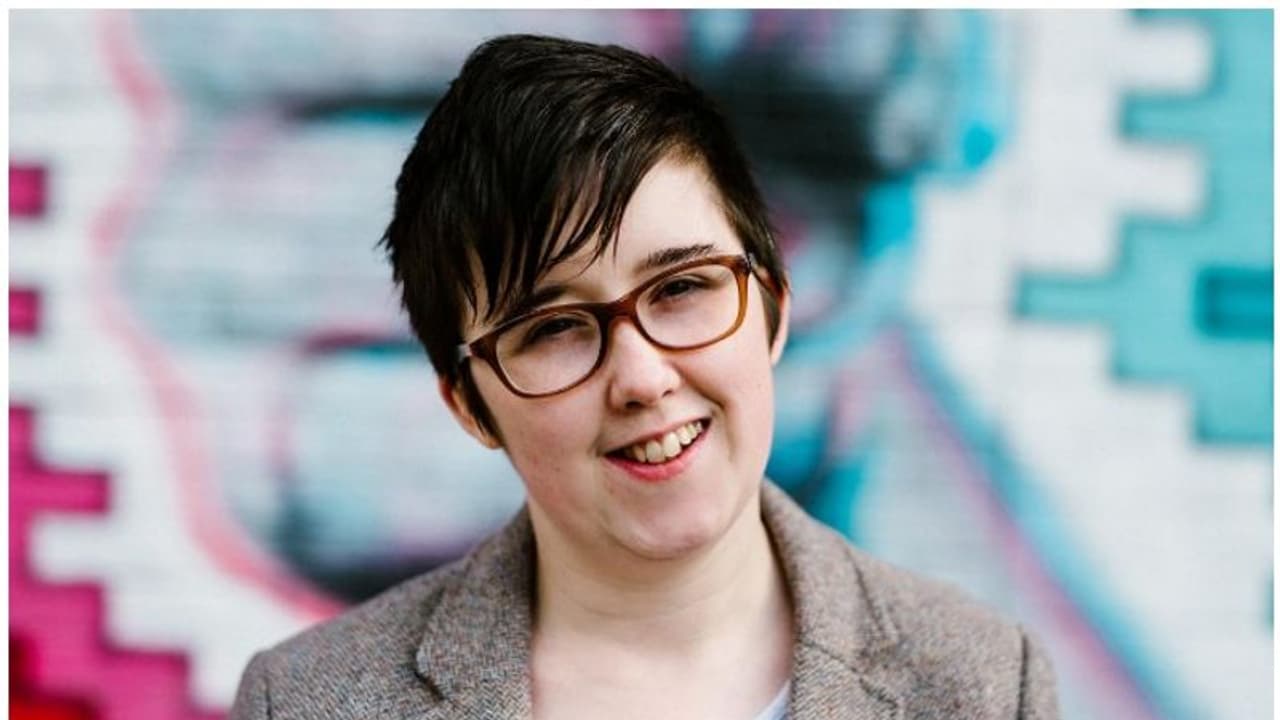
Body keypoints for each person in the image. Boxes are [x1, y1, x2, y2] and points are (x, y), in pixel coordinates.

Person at [230, 34, 1059, 720]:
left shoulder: (984, 684)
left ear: (772, 308)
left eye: (683, 289)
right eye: (554, 329)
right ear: (471, 406)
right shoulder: (310, 702)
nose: (642, 376)